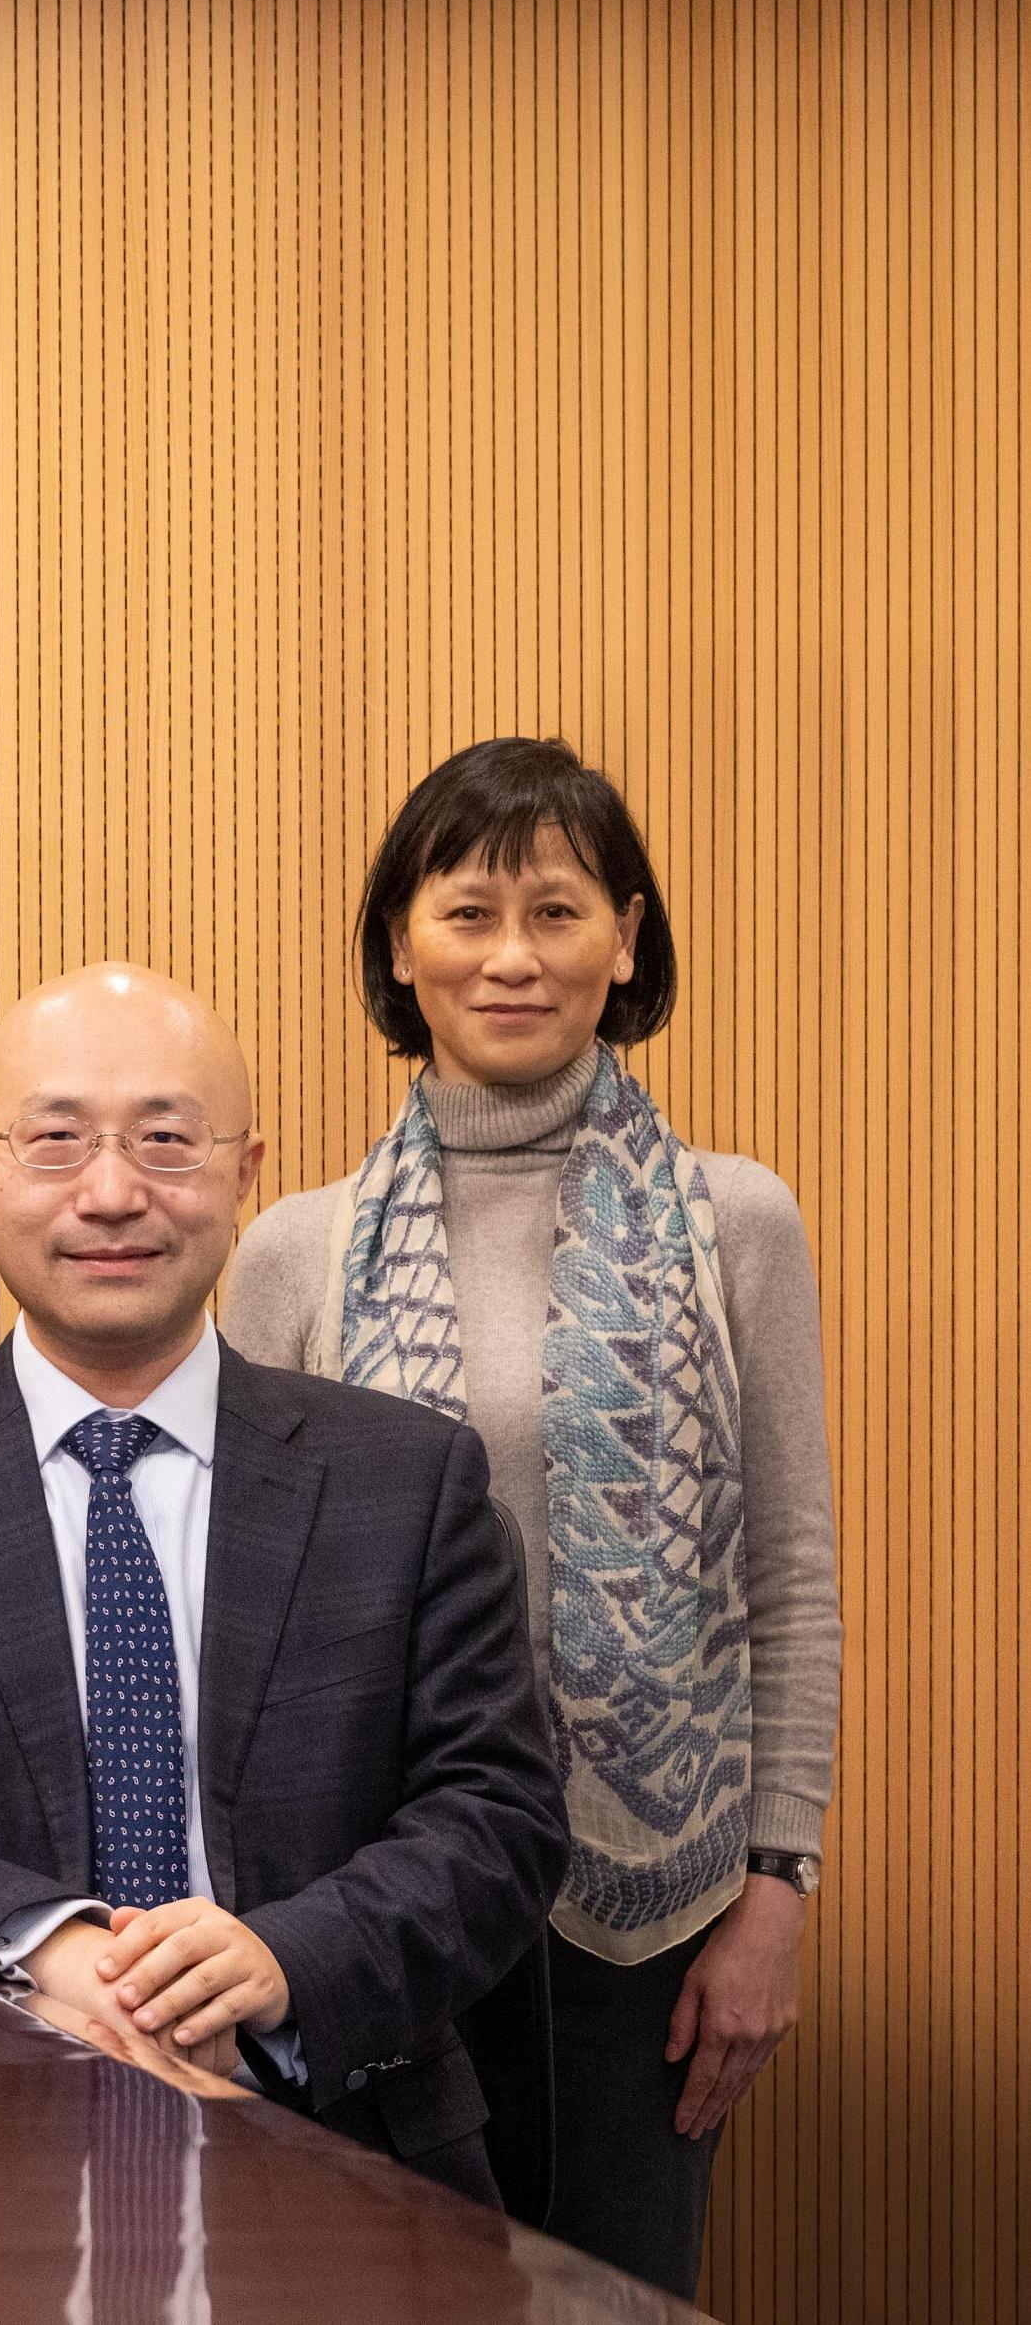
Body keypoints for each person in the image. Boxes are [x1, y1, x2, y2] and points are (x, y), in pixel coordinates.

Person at [0, 964, 566, 2201]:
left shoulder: (406, 1478)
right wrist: (47, 1940)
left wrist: (280, 1961)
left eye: (167, 1140)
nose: (112, 1193)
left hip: (346, 2147)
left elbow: (499, 1816)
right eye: (54, 1141)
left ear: (245, 1167)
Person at [225, 739, 838, 2297]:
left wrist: (775, 1893)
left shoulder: (734, 1221)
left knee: (614, 2299)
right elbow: (251, 1610)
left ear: (622, 940)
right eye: (466, 911)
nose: (510, 955)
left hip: (650, 1919)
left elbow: (788, 1579)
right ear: (395, 943)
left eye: (555, 912)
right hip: (374, 1899)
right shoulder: (295, 1252)